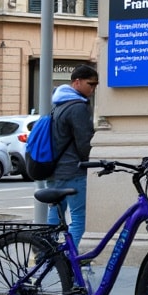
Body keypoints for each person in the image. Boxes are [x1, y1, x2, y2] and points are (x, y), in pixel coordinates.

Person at [44, 64, 98, 248]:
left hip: (54, 170)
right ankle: (69, 259)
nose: (93, 89)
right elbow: (85, 142)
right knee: (79, 218)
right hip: (73, 171)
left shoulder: (58, 105)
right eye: (91, 84)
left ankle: (47, 253)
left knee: (55, 214)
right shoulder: (78, 107)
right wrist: (91, 162)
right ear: (77, 82)